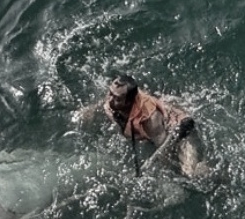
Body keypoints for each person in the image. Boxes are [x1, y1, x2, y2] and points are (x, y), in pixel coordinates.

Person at [78, 74, 209, 178]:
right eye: (110, 93)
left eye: (117, 98)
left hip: (180, 130)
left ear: (129, 102)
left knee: (190, 173)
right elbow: (110, 99)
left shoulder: (151, 120)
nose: (110, 99)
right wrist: (91, 111)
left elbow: (164, 150)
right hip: (156, 126)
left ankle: (210, 173)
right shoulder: (116, 98)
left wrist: (165, 172)